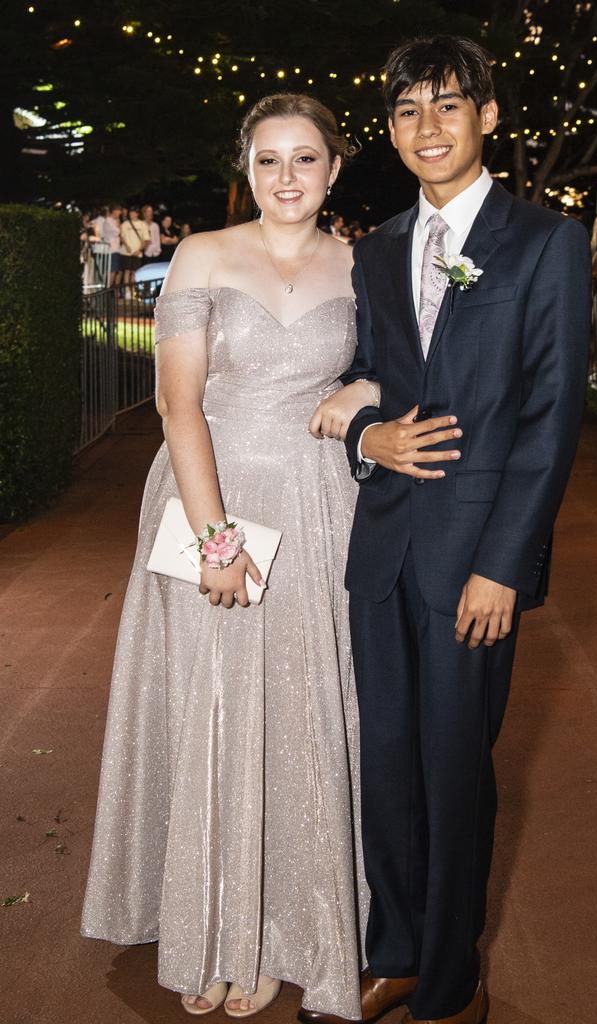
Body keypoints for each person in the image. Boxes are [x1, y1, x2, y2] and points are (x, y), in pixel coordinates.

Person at [310, 35, 590, 1024]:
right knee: (383, 758)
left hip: (475, 560)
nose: (427, 128)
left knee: (452, 764)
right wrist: (366, 434)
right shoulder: (376, 247)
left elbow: (551, 413)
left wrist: (505, 565)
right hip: (381, 550)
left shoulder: (545, 241)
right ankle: (392, 951)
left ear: (489, 117)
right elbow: (377, 381)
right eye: (407, 111)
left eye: (448, 106)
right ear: (389, 129)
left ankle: (451, 974)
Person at [81, 93, 376, 1021]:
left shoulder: (365, 264)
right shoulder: (204, 255)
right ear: (245, 171)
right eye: (267, 160)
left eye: (304, 159)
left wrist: (364, 382)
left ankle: (291, 928)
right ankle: (211, 928)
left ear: (334, 167)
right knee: (211, 706)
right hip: (210, 494)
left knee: (299, 710)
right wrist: (217, 540)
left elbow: (414, 367)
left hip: (322, 504)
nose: (286, 177)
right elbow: (179, 406)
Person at [119, 206, 150, 295]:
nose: (132, 214)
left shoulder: (142, 224)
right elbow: (121, 237)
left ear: (137, 214)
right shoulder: (125, 224)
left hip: (137, 252)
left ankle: (133, 291)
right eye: (131, 212)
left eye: (134, 212)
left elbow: (146, 240)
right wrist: (127, 247)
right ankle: (127, 291)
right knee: (127, 271)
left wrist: (139, 250)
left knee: (134, 272)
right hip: (126, 252)